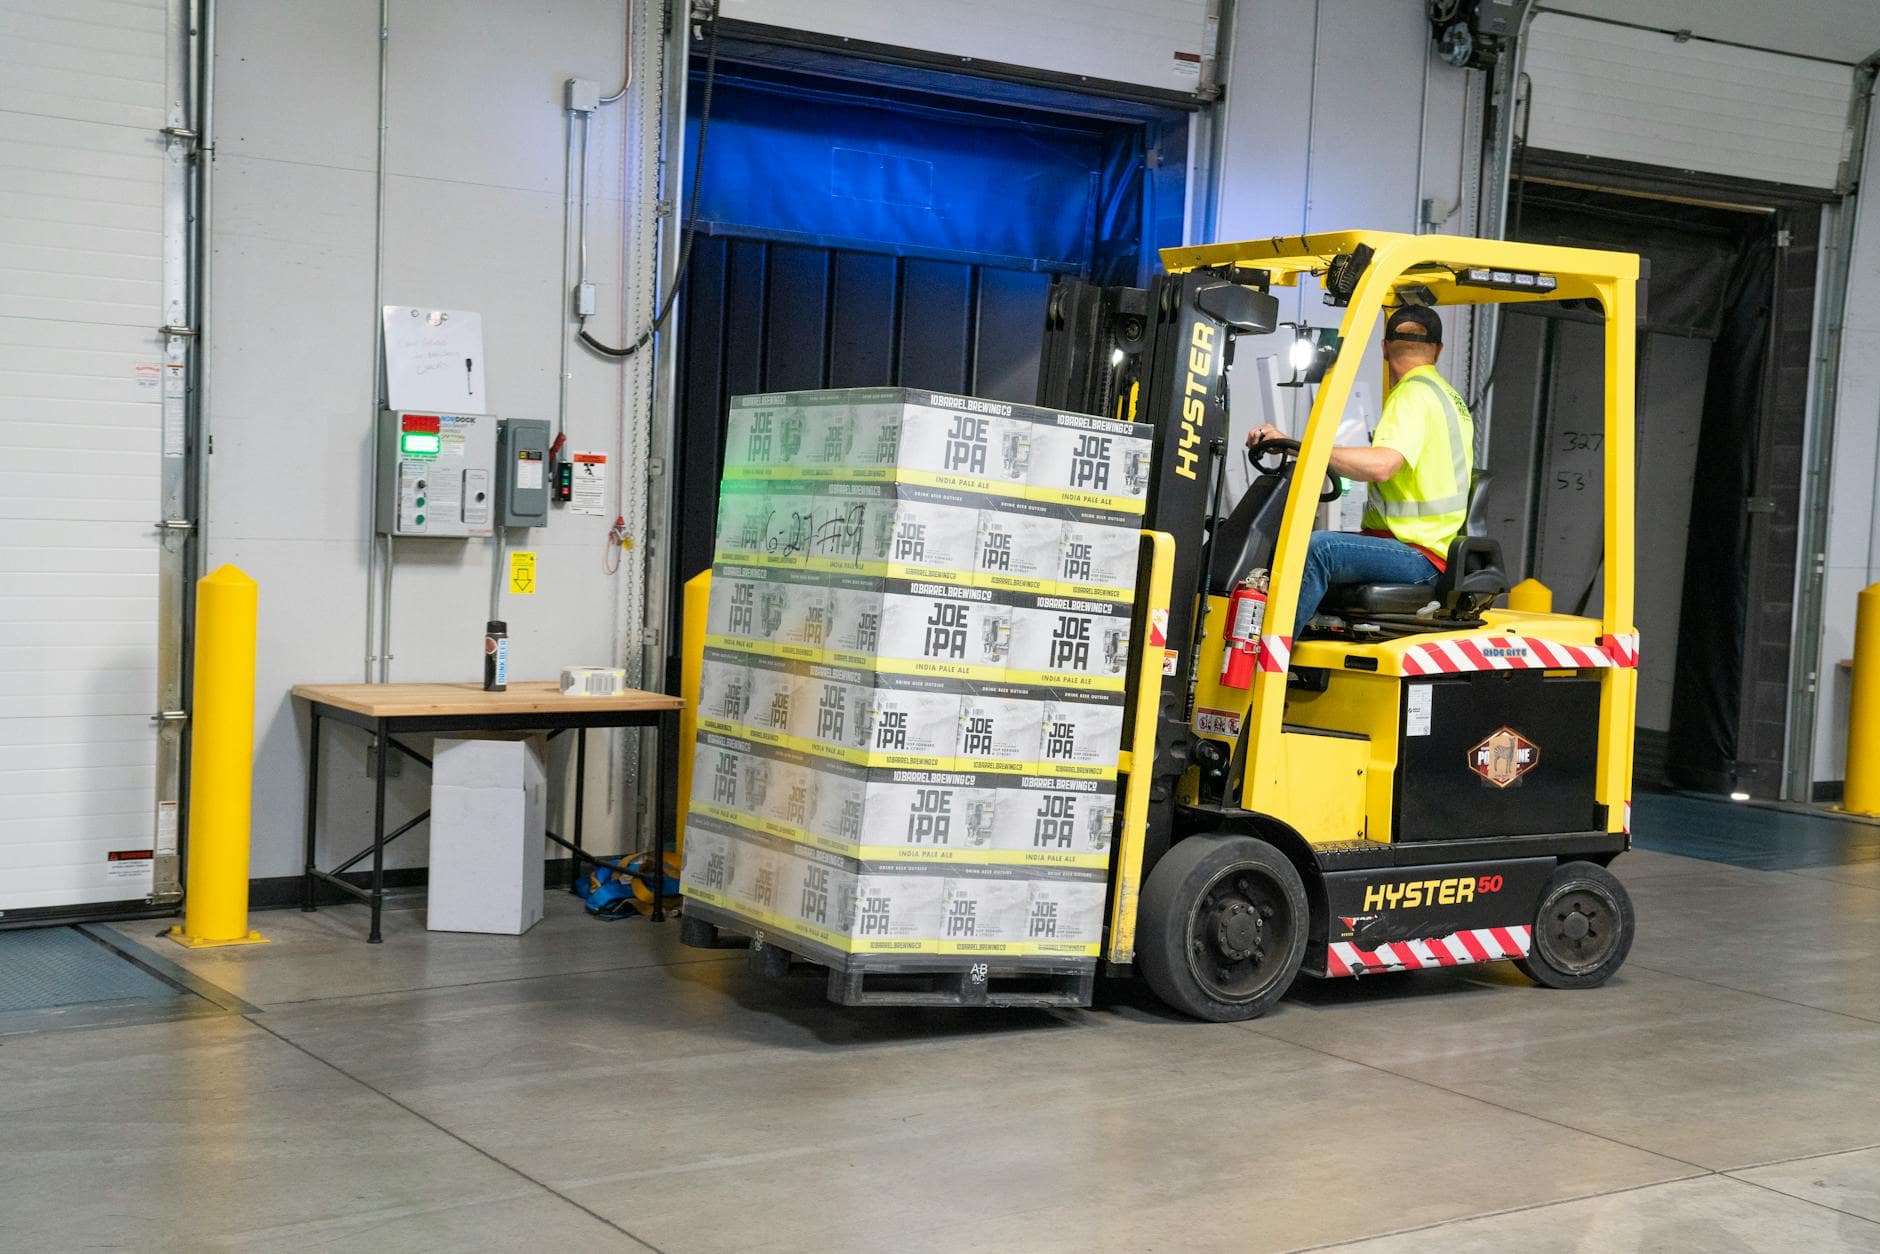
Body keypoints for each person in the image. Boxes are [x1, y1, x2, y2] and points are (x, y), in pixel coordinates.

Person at [1248, 304, 1474, 635]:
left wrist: (1305, 447)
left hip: (1417, 555)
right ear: (1438, 350)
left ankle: (1268, 663)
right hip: (1423, 548)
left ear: (1383, 348)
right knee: (1296, 542)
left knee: (1318, 549)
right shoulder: (1447, 397)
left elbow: (1382, 465)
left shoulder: (1412, 394)